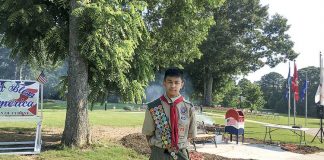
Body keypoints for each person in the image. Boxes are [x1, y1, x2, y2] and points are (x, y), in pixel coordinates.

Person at [142, 68, 197, 160]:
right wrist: (158, 150)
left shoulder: (189, 108)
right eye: (170, 82)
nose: (173, 85)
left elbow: (190, 135)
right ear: (164, 83)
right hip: (159, 153)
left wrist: (178, 147)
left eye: (176, 82)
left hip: (180, 154)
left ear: (182, 84)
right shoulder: (153, 107)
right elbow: (148, 134)